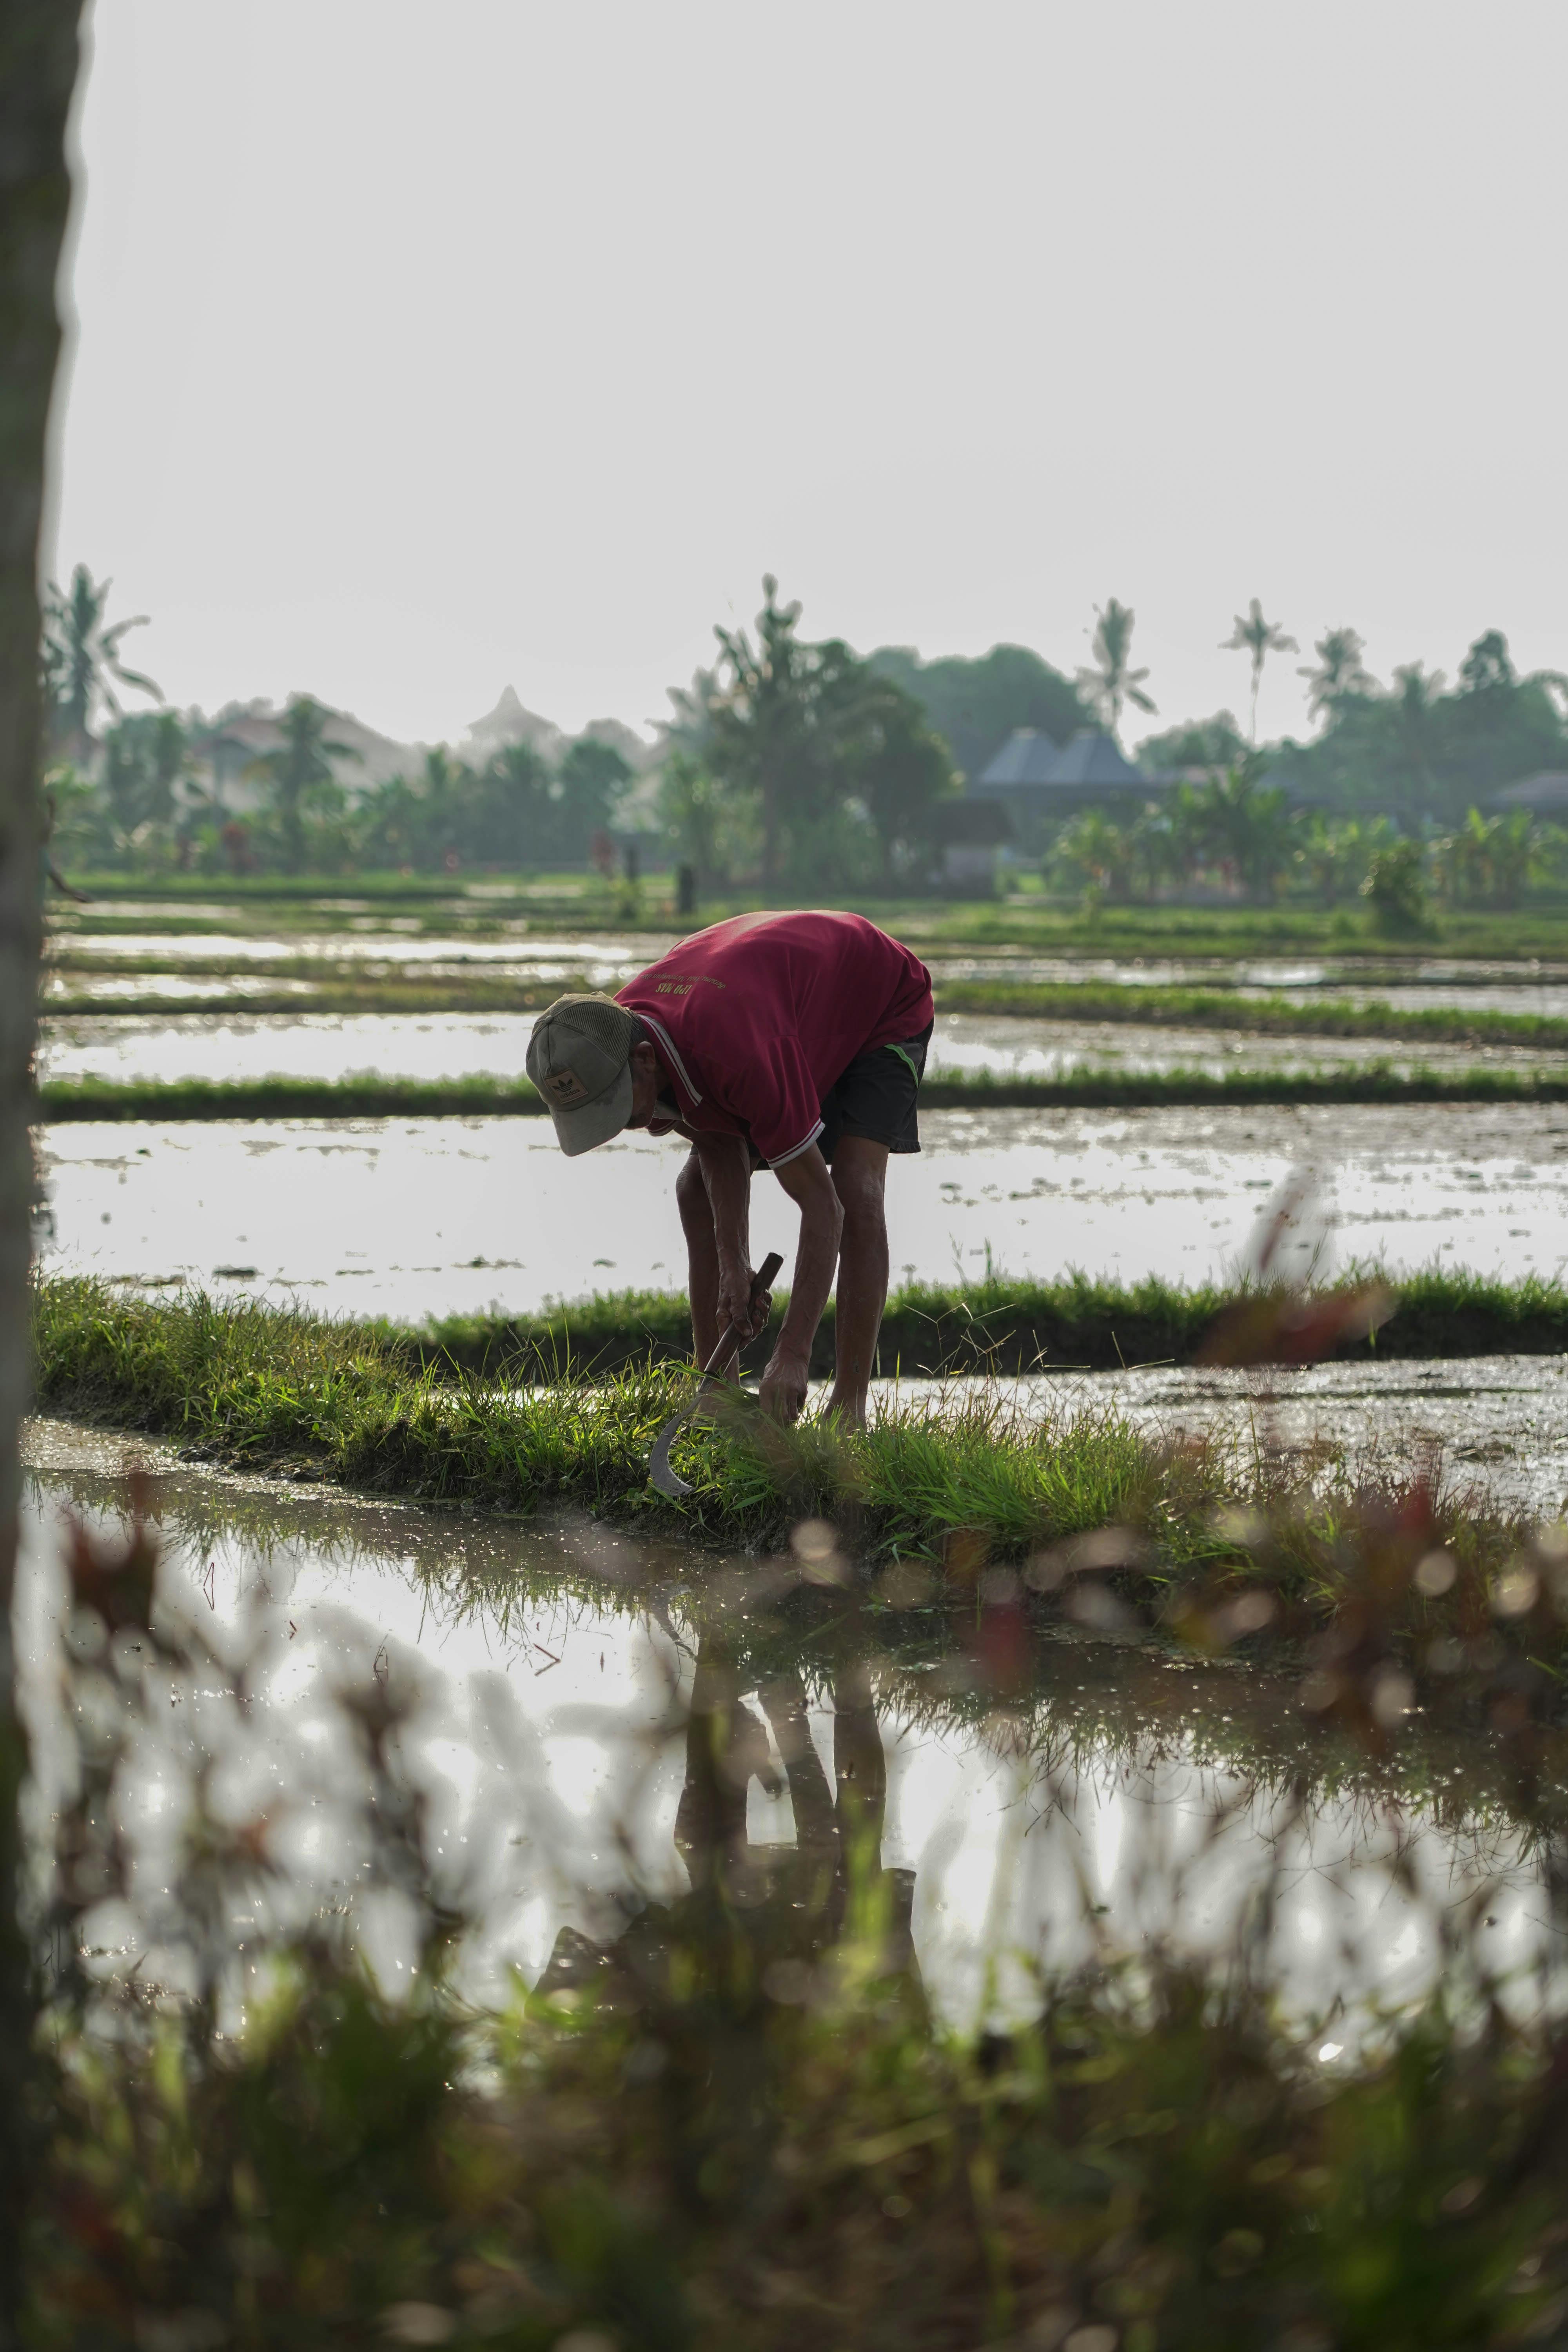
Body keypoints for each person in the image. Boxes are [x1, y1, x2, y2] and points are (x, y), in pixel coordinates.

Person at [525, 909, 934, 1426]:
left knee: (855, 1184)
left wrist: (792, 1353)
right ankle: (717, 1391)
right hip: (789, 1009)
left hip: (879, 1001)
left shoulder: (735, 1049)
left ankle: (849, 1409)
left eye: (621, 1107)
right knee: (695, 1189)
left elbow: (821, 1207)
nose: (628, 1125)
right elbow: (717, 1140)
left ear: (645, 1061)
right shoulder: (612, 1030)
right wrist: (733, 1267)